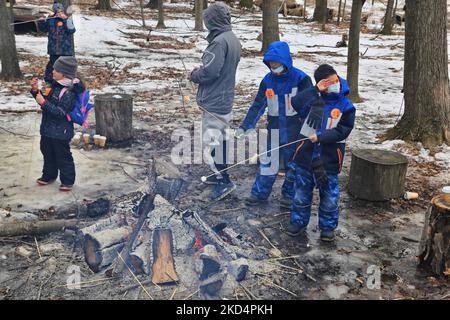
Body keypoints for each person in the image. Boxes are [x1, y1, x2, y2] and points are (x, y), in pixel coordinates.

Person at [236, 41, 313, 209]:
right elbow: (258, 105)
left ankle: (289, 196)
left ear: (285, 62)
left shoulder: (301, 79)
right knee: (268, 161)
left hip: (295, 129)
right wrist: (246, 125)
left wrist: (309, 131)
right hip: (274, 128)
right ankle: (259, 194)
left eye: (276, 64)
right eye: (271, 64)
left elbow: (310, 106)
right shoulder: (267, 80)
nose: (273, 67)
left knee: (293, 164)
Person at [286, 64, 356, 242]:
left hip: (330, 158)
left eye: (335, 80)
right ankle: (298, 222)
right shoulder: (313, 99)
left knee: (330, 195)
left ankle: (327, 227)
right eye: (328, 83)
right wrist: (314, 90)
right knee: (301, 192)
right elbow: (295, 103)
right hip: (306, 156)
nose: (334, 84)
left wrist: (321, 136)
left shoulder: (345, 105)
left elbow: (344, 130)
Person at [189, 1, 241, 201]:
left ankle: (224, 180)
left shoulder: (219, 42)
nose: (206, 23)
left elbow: (211, 72)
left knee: (212, 143)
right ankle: (217, 175)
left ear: (214, 21)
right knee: (221, 139)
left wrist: (195, 74)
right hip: (224, 98)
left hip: (215, 100)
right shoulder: (232, 38)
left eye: (207, 20)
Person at [30, 56, 84, 192]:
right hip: (47, 129)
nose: (52, 71)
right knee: (47, 152)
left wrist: (43, 102)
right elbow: (47, 101)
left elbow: (61, 112)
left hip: (61, 132)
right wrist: (36, 91)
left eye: (56, 69)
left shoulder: (70, 91)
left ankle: (67, 180)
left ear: (64, 73)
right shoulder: (55, 85)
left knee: (62, 155)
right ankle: (49, 175)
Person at [39, 2, 76, 84]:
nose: (60, 13)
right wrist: (41, 22)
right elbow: (43, 30)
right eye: (58, 12)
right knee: (53, 67)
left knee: (64, 68)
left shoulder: (67, 19)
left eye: (61, 11)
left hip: (65, 50)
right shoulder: (50, 19)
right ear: (55, 12)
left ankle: (68, 83)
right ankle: (51, 82)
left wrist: (66, 20)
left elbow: (72, 30)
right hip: (53, 50)